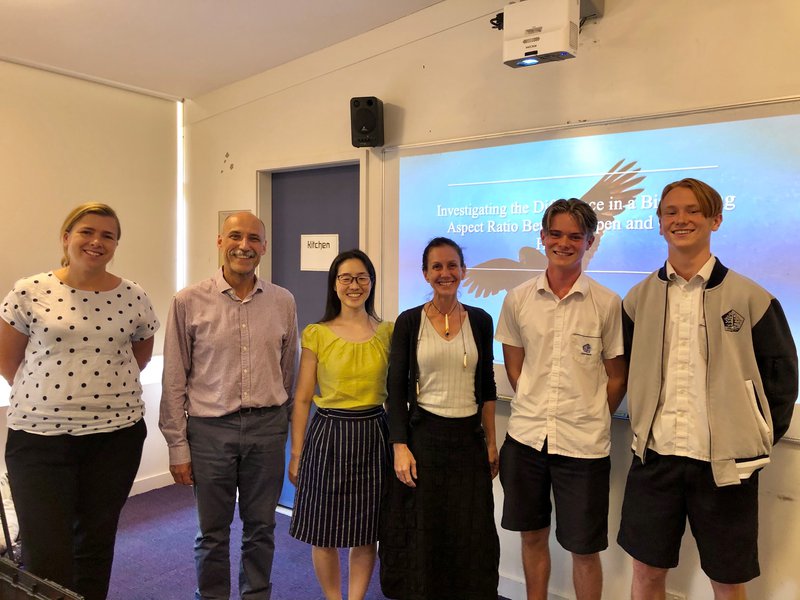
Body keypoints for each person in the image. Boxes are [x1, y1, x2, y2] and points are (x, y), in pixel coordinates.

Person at [618, 178, 798, 600]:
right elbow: (624, 369)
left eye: (693, 210)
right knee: (645, 572)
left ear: (715, 219)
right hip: (655, 460)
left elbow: (782, 381)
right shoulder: (637, 299)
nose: (681, 219)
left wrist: (754, 436)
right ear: (659, 223)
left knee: (727, 580)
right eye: (671, 212)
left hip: (725, 470)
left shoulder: (752, 298)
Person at [0, 203, 159, 600]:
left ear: (116, 244)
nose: (96, 241)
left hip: (115, 439)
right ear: (66, 237)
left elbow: (138, 356)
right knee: (45, 551)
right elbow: (8, 361)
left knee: (95, 543)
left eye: (108, 235)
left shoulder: (133, 296)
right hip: (39, 440)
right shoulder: (29, 291)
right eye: (87, 231)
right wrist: (52, 397)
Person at [159, 211, 298, 600]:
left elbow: (288, 370)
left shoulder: (283, 301)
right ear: (220, 241)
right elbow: (174, 378)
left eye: (254, 239)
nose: (244, 245)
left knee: (262, 528)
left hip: (266, 429)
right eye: (235, 236)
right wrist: (177, 446)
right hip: (209, 432)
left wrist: (281, 424)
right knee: (212, 533)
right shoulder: (188, 301)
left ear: (264, 247)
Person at [494, 198, 627, 600]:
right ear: (542, 236)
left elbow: (617, 377)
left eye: (574, 236)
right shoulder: (517, 298)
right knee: (532, 536)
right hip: (526, 440)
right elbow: (515, 370)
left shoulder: (607, 303)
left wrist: (589, 415)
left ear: (590, 242)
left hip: (583, 447)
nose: (563, 243)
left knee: (584, 549)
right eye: (555, 234)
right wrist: (538, 405)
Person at [379, 236, 500, 600]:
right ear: (425, 274)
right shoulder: (409, 321)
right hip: (424, 439)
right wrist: (399, 446)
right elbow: (395, 389)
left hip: (468, 441)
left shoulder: (480, 320)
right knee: (424, 531)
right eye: (437, 267)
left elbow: (488, 386)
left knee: (469, 531)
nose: (445, 273)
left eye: (452, 266)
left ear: (463, 271)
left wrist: (491, 443)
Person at [288, 249, 392, 600]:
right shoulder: (317, 333)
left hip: (373, 434)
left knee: (366, 531)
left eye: (362, 277)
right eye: (345, 278)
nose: (354, 285)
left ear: (371, 283)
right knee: (323, 530)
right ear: (334, 285)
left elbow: (393, 397)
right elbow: (303, 398)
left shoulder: (387, 332)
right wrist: (297, 453)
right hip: (328, 434)